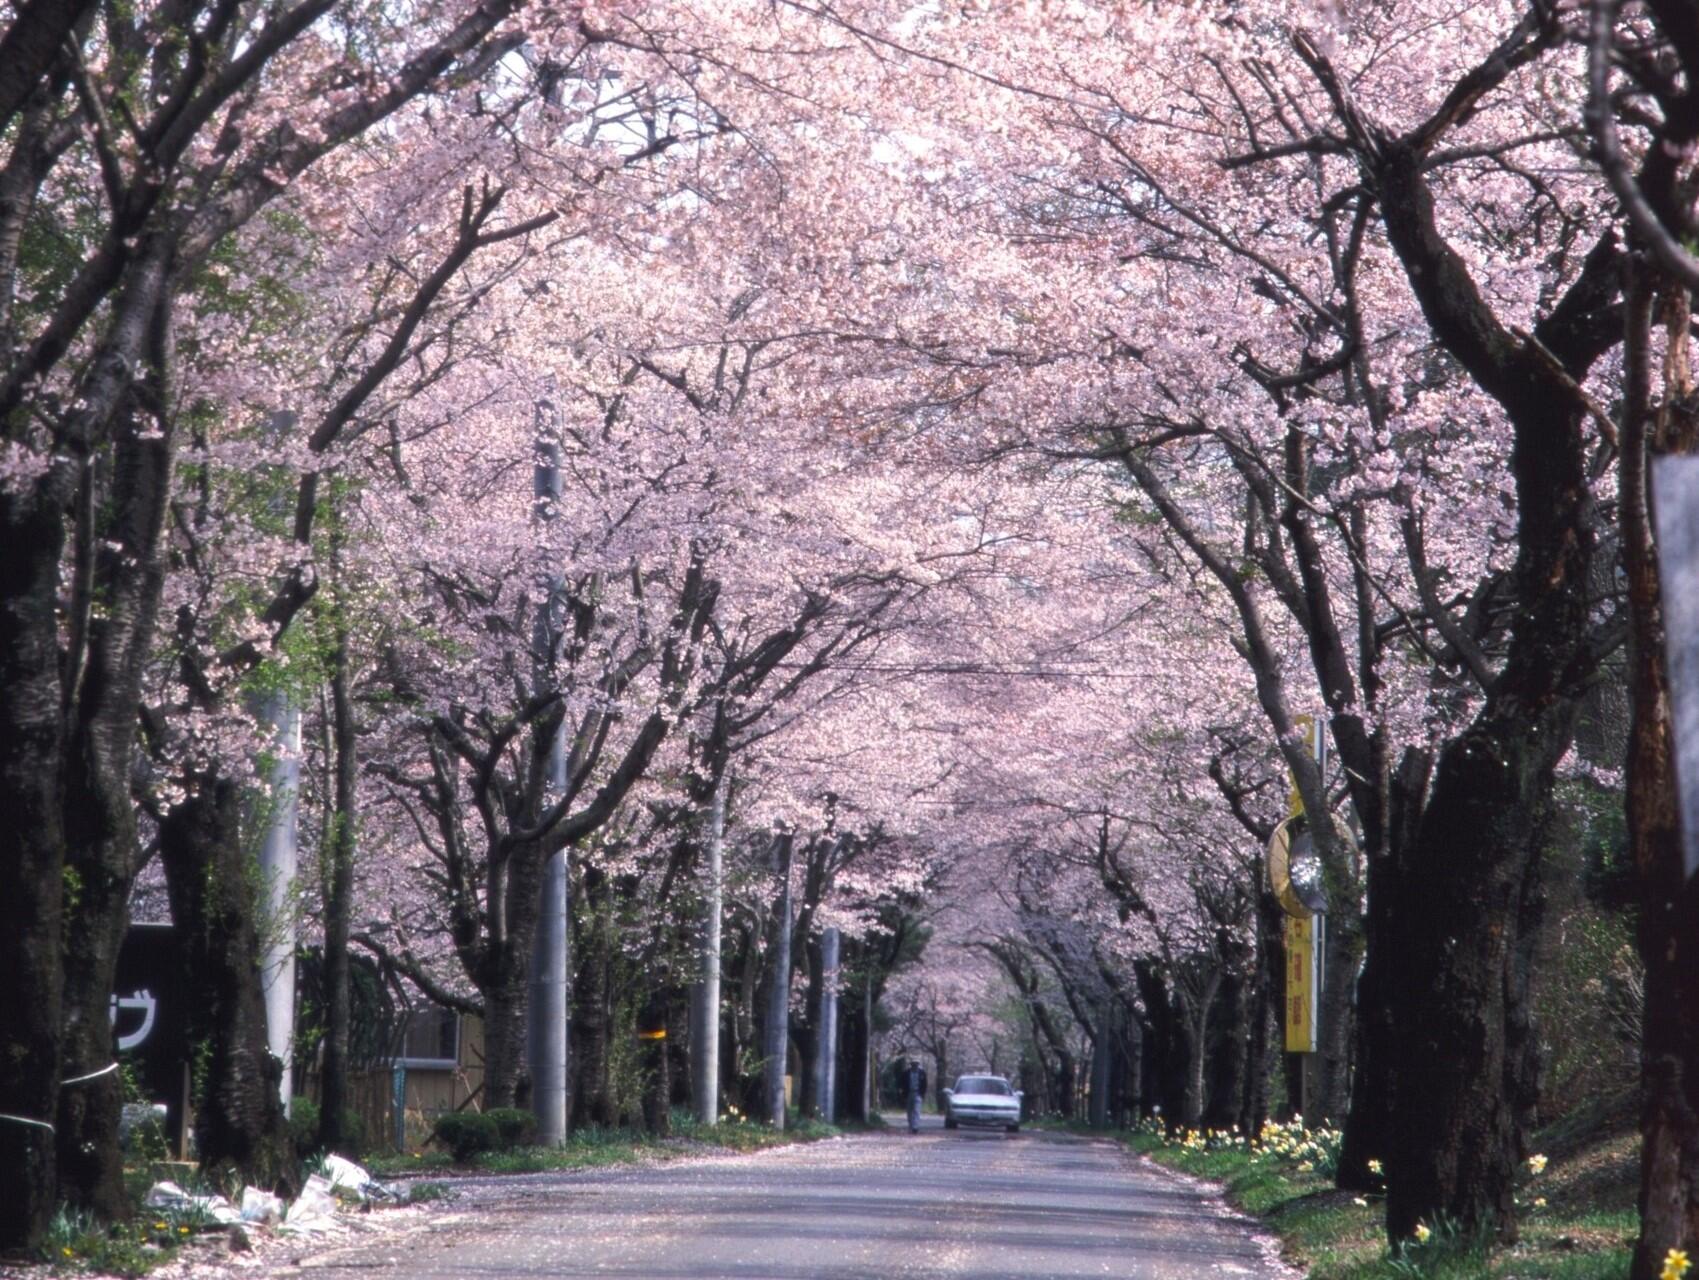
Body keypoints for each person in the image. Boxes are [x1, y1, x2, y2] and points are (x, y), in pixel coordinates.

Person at [901, 1056, 928, 1134]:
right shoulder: (906, 1073)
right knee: (909, 1111)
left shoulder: (922, 1073)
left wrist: (923, 1094)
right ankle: (911, 1125)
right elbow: (902, 1084)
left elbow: (925, 1084)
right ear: (911, 1064)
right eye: (913, 1064)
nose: (915, 1065)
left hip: (918, 1093)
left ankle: (915, 1127)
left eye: (916, 1064)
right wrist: (903, 1094)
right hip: (909, 1093)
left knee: (917, 1110)